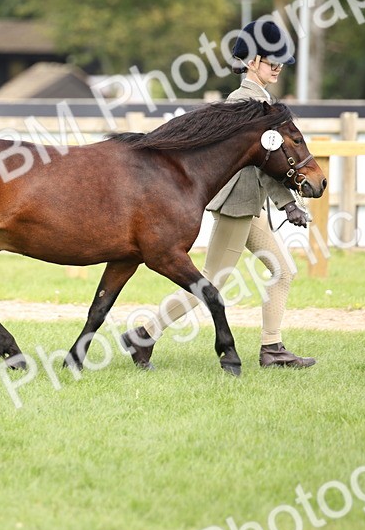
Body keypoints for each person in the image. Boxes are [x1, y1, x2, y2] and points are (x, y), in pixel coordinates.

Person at [129, 20, 316, 369]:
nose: (277, 67)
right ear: (251, 61)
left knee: (282, 271)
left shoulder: (262, 101)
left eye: (280, 61)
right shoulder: (243, 102)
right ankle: (145, 334)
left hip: (249, 205)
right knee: (211, 281)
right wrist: (288, 202)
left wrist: (287, 201)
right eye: (270, 60)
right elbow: (263, 162)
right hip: (237, 204)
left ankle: (272, 347)